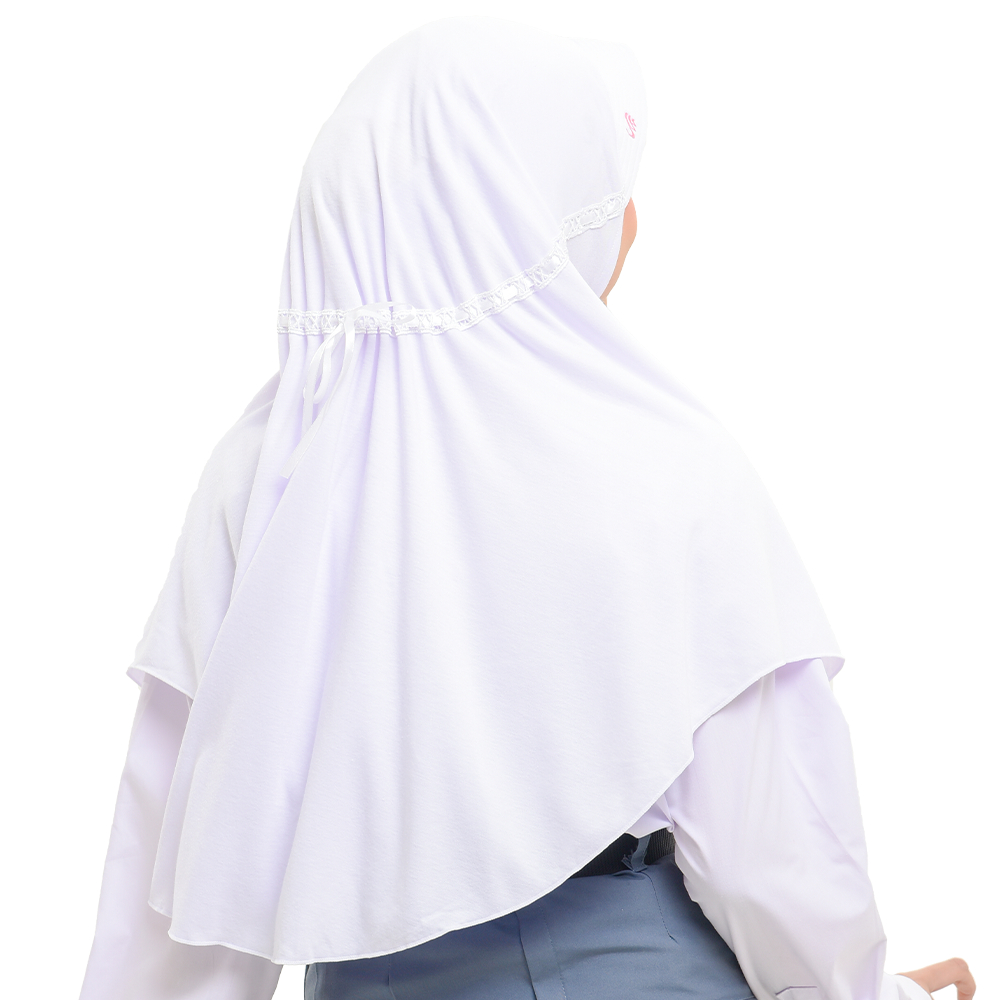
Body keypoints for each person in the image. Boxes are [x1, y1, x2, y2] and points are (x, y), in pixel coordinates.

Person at [79, 17, 975, 1000]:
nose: (628, 221)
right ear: (531, 214)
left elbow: (179, 867)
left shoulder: (263, 472)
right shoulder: (659, 460)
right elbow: (776, 851)